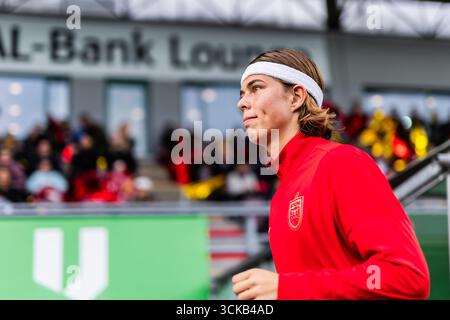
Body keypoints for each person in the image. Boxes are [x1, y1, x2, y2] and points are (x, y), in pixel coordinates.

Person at [231, 48, 429, 300]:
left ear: (295, 97)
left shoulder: (341, 163)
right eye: (242, 93)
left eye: (256, 88)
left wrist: (287, 288)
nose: (241, 102)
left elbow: (405, 276)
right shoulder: (281, 195)